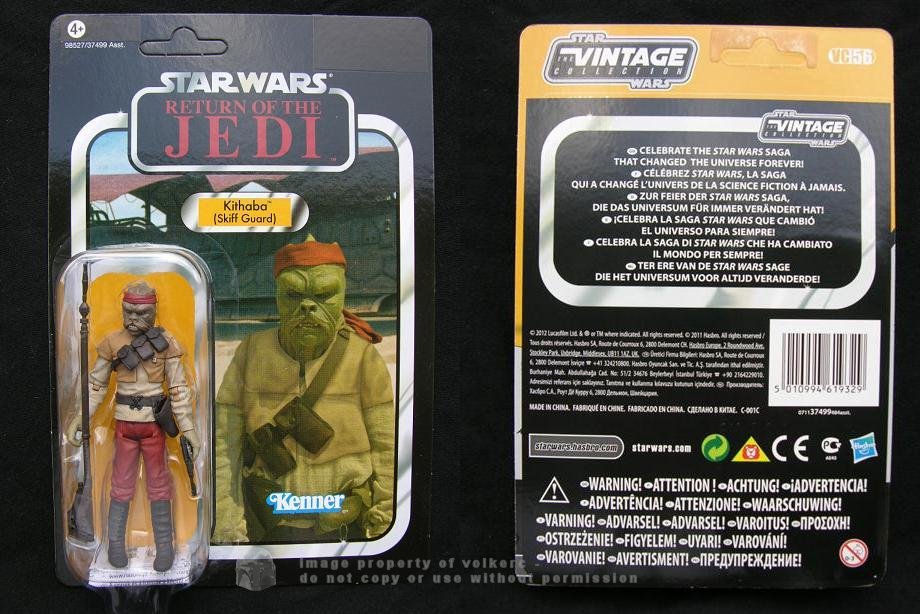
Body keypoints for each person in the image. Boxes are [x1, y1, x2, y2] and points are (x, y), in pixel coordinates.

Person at [214, 236, 394, 543]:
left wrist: (383, 522)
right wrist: (228, 524)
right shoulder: (251, 352)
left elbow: (387, 448)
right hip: (267, 524)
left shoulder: (363, 356)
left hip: (344, 525)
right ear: (277, 294)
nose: (308, 306)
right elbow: (224, 444)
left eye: (324, 295)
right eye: (293, 294)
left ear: (342, 293)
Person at [65, 280, 201, 571]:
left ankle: (165, 547)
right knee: (121, 485)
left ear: (154, 311)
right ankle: (115, 544)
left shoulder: (167, 344)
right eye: (128, 311)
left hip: (154, 426)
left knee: (159, 485)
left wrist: (188, 429)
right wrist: (81, 417)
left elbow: (179, 390)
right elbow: (96, 386)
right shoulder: (112, 343)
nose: (134, 318)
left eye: (142, 313)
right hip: (124, 426)